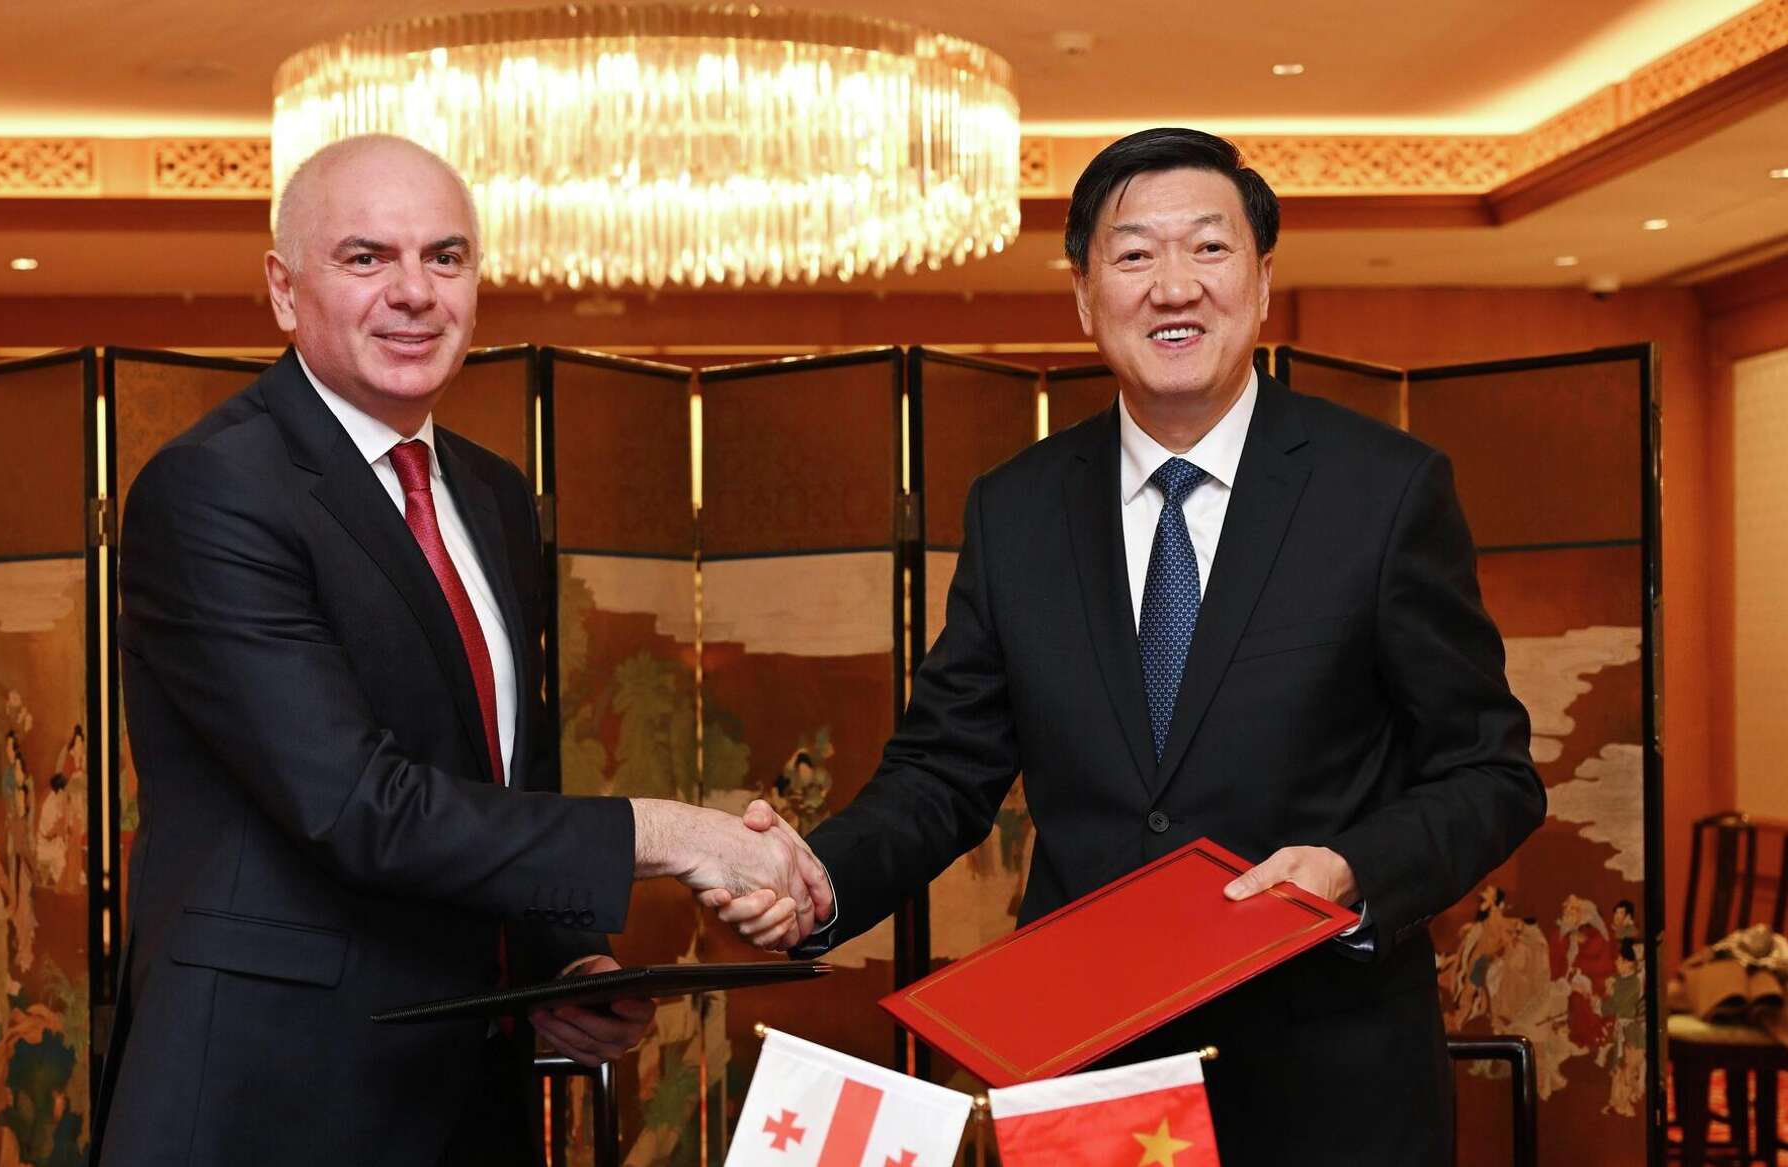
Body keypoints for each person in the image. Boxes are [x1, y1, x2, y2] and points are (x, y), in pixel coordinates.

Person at [706, 127, 1545, 1166]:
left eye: (1209, 247)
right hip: (1088, 1085)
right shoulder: (1017, 508)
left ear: (1261, 280)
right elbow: (944, 770)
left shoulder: (1382, 490)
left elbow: (1489, 771)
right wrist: (817, 877)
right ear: (1082, 294)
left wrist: (1348, 870)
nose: (1172, 286)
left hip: (1328, 1080)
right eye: (1134, 254)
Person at [94, 134, 829, 1165]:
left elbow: (505, 780)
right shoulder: (214, 490)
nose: (414, 292)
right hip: (269, 1099)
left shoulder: (492, 495)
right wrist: (676, 834)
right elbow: (360, 807)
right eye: (366, 257)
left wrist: (565, 963)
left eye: (445, 257)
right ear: (283, 290)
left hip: (468, 1097)